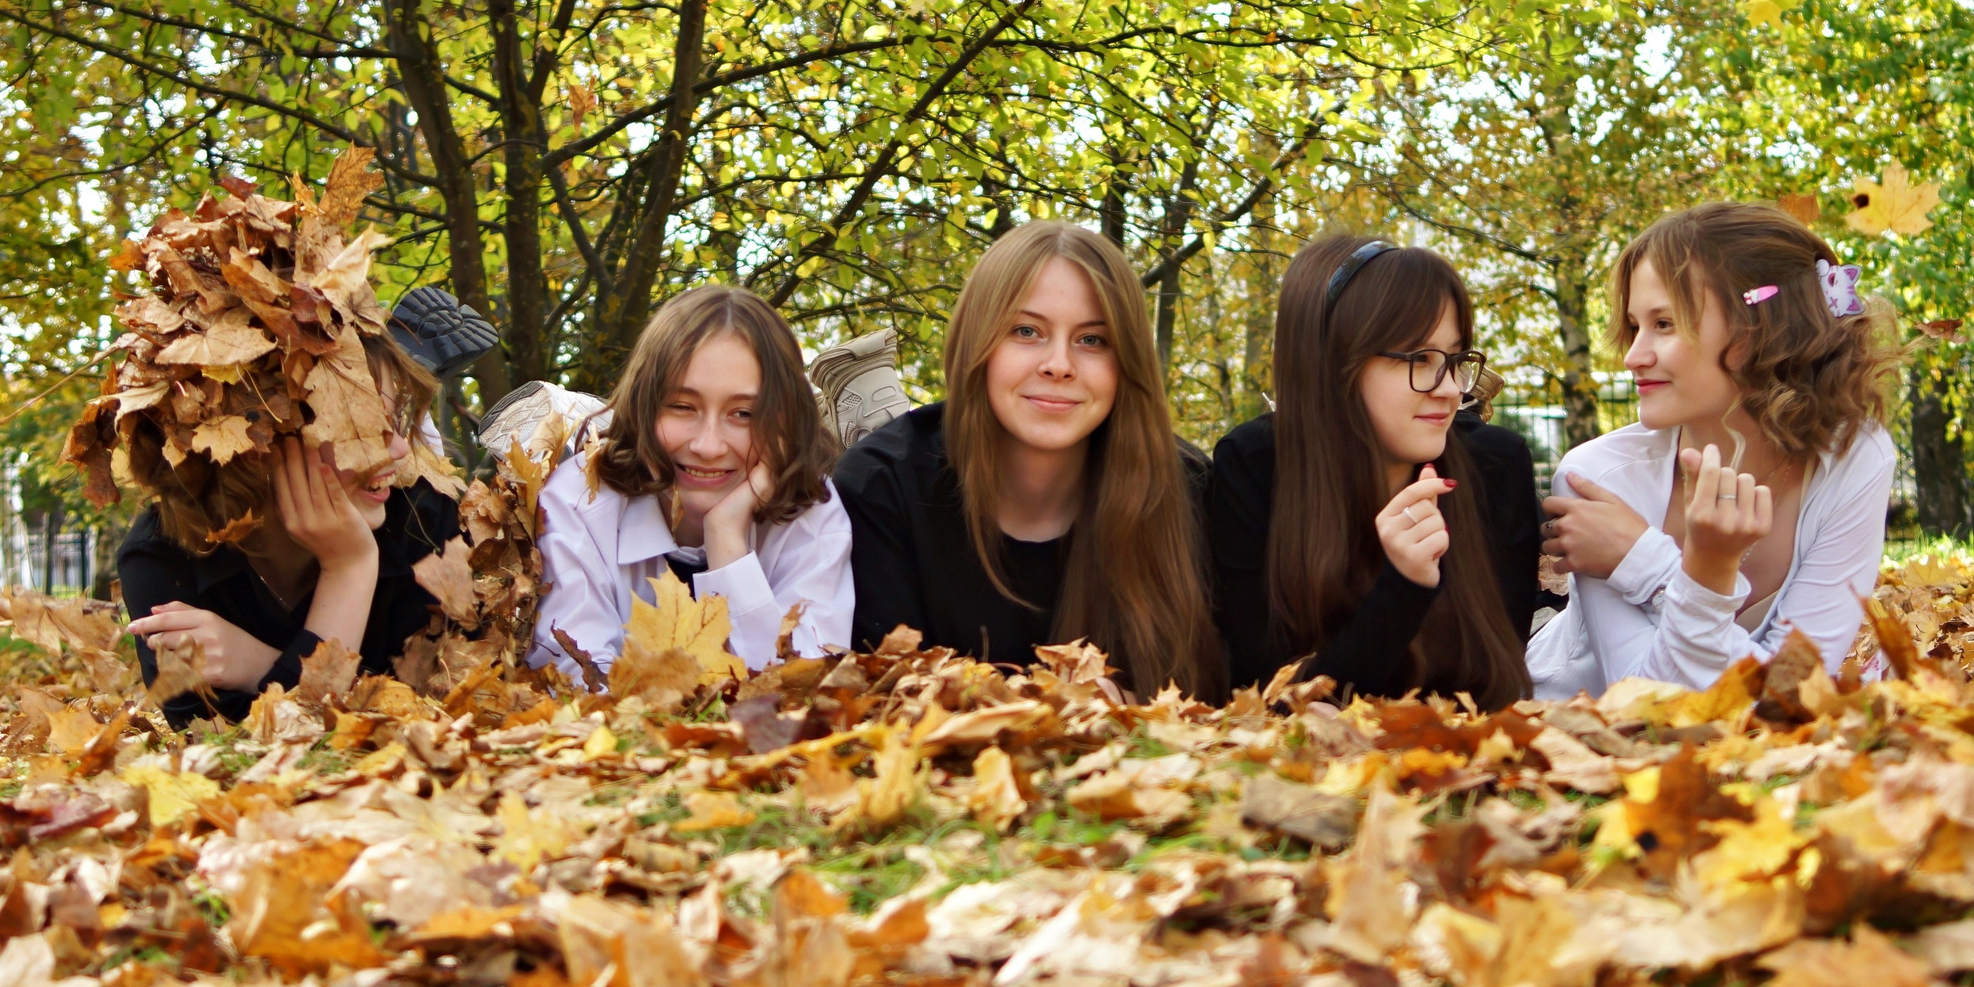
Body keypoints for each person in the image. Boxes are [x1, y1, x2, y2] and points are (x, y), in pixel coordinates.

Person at [834, 220, 1224, 698]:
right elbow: (881, 703)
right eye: (1026, 331)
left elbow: (1211, 708)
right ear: (978, 345)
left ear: (1128, 362)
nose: (1058, 364)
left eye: (1092, 340)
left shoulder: (1187, 491)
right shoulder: (882, 488)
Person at [1530, 202, 1900, 697]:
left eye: (1664, 324)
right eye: (1635, 325)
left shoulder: (1855, 458)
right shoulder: (1598, 477)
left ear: (1760, 331)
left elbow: (1792, 690)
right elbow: (1644, 707)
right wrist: (1701, 576)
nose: (1633, 356)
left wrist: (1647, 564)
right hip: (1569, 737)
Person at [1207, 235, 1540, 707]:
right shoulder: (1257, 464)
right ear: (1333, 365)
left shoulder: (1493, 466)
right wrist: (1402, 589)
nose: (1448, 389)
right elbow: (1268, 702)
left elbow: (1494, 690)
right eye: (1419, 359)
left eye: (1455, 359)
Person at [122, 310, 478, 728]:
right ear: (258, 445)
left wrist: (348, 569)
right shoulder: (164, 557)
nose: (399, 448)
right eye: (359, 428)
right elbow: (232, 760)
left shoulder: (424, 519)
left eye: (394, 418)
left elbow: (450, 716)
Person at [533, 286, 853, 678]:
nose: (707, 445)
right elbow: (573, 685)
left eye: (744, 414)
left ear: (785, 422)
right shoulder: (579, 500)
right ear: (643, 405)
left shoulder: (812, 512)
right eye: (682, 407)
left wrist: (727, 542)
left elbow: (799, 691)